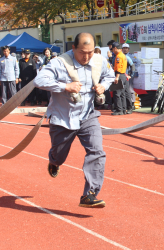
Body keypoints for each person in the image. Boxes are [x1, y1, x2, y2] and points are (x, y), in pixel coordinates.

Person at [33, 32, 115, 208]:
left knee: (97, 151)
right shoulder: (59, 62)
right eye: (82, 52)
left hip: (88, 116)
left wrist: (103, 86)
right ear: (73, 48)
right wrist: (64, 87)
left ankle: (90, 194)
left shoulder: (99, 61)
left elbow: (110, 75)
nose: (86, 57)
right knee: (59, 156)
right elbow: (39, 80)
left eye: (90, 52)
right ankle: (54, 160)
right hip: (63, 118)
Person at [112, 42, 128, 115]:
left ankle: (119, 110)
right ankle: (124, 109)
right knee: (122, 94)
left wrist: (117, 77)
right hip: (123, 75)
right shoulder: (123, 55)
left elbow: (118, 67)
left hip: (119, 75)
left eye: (112, 49)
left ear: (115, 48)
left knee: (117, 93)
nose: (112, 51)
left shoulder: (118, 56)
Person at [122, 43, 136, 113]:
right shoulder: (119, 56)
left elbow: (134, 64)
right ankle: (123, 107)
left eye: (126, 48)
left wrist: (131, 73)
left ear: (128, 49)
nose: (125, 49)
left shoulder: (129, 56)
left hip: (127, 75)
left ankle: (132, 104)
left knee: (129, 90)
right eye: (124, 48)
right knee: (121, 92)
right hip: (120, 76)